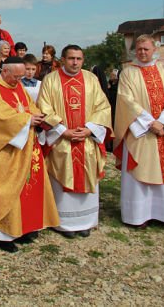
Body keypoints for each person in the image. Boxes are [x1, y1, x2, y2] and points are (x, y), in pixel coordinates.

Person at [0, 56, 59, 252]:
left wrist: (38, 117)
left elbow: (28, 107)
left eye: (21, 76)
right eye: (15, 76)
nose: (19, 80)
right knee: (1, 190)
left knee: (24, 190)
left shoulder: (17, 85)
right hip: (0, 149)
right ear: (4, 71)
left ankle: (20, 228)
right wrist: (25, 120)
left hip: (23, 146)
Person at [38, 45, 112, 238]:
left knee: (87, 174)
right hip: (62, 141)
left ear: (83, 60)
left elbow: (103, 107)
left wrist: (89, 130)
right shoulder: (50, 79)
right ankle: (63, 223)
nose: (75, 62)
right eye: (71, 58)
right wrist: (64, 131)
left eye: (79, 59)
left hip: (86, 141)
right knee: (62, 177)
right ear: (62, 59)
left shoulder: (91, 79)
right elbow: (44, 108)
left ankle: (85, 222)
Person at [114, 34, 164, 230]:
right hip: (141, 132)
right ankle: (138, 216)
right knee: (139, 173)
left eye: (146, 49)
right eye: (139, 49)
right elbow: (126, 101)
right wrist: (150, 123)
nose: (142, 52)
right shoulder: (128, 73)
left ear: (155, 50)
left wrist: (162, 122)